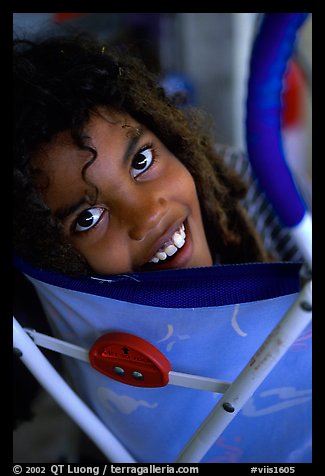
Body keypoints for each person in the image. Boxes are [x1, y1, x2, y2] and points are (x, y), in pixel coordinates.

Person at [14, 32, 274, 279]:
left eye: (142, 161)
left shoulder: (254, 190)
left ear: (171, 140)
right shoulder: (43, 324)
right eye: (88, 218)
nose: (147, 216)